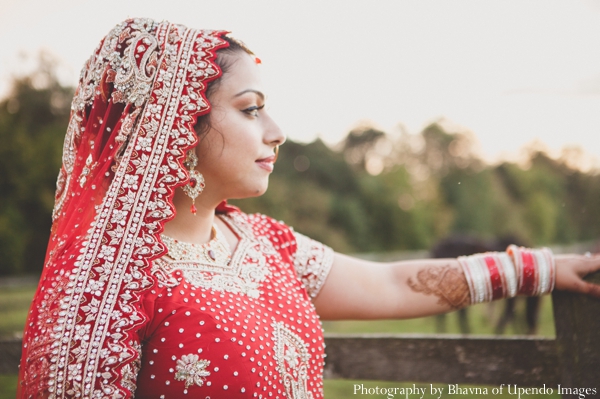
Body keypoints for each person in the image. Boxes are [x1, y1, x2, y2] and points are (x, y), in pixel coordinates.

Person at [17, 18, 600, 399]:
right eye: (250, 110)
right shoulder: (102, 285)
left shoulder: (263, 244)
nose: (276, 131)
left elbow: (396, 285)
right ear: (178, 126)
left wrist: (542, 269)